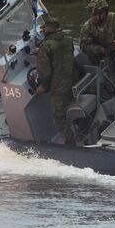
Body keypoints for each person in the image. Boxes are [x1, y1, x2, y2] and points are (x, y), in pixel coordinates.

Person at [35, 17, 78, 146]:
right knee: (70, 107)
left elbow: (45, 71)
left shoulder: (45, 46)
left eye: (44, 28)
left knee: (59, 116)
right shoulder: (68, 40)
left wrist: (43, 86)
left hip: (58, 87)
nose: (43, 30)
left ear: (50, 28)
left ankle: (70, 142)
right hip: (72, 81)